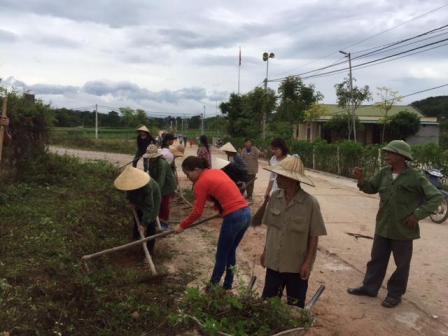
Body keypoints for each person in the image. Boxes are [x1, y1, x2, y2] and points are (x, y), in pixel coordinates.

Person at [347, 140, 443, 308]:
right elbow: (371, 188)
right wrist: (361, 180)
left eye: (390, 153)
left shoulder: (416, 177)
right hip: (383, 225)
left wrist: (417, 215)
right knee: (376, 259)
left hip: (404, 229)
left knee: (402, 264)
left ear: (401, 156)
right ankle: (370, 287)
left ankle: (395, 294)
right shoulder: (384, 173)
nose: (386, 156)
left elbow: (436, 196)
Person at [175, 156, 251, 291]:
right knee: (230, 251)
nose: (188, 177)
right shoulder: (217, 172)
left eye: (188, 174)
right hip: (246, 213)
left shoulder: (201, 182)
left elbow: (197, 212)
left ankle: (212, 288)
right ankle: (228, 286)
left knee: (221, 254)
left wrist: (182, 225)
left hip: (234, 216)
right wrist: (222, 210)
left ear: (197, 169)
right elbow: (224, 193)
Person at [260, 156, 327, 308]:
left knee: (295, 308)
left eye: (281, 175)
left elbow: (314, 237)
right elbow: (271, 228)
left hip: (296, 268)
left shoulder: (310, 204)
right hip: (274, 264)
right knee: (268, 306)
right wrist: (265, 252)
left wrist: (308, 263)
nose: (276, 178)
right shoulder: (275, 198)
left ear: (292, 179)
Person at [114, 166, 161, 253]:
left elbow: (149, 207)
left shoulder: (147, 187)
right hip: (139, 197)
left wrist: (143, 224)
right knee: (138, 215)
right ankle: (136, 238)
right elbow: (128, 194)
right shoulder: (129, 184)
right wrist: (131, 201)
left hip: (153, 198)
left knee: (150, 222)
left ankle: (150, 250)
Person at [144, 144, 177, 224]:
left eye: (152, 157)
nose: (150, 159)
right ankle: (158, 219)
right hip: (158, 183)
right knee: (158, 202)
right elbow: (151, 175)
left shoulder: (162, 163)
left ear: (156, 156)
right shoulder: (151, 162)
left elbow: (161, 179)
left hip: (167, 185)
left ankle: (165, 221)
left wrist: (155, 190)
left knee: (164, 203)